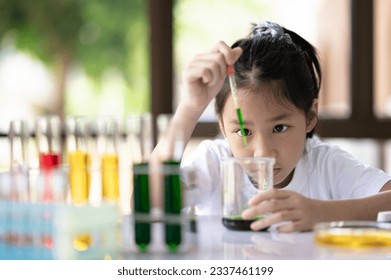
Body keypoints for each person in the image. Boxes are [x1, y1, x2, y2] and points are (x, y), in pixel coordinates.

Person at [151, 21, 391, 232]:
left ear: (310, 116)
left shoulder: (325, 166)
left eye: (279, 128)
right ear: (223, 127)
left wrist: (325, 212)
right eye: (244, 131)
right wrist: (189, 108)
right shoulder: (215, 163)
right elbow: (149, 203)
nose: (263, 153)